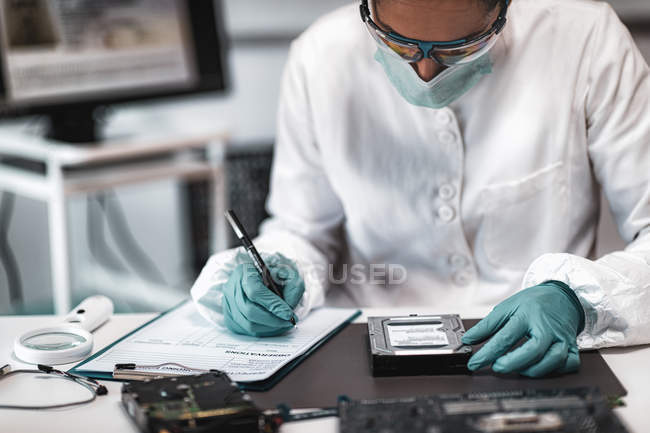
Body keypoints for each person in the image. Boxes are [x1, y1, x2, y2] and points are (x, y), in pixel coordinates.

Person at [191, 0, 650, 378]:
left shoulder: (586, 40)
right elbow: (304, 229)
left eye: (461, 48)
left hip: (536, 346)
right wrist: (283, 267)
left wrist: (576, 298)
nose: (426, 71)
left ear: (503, 11)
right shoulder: (319, 56)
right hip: (362, 346)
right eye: (397, 45)